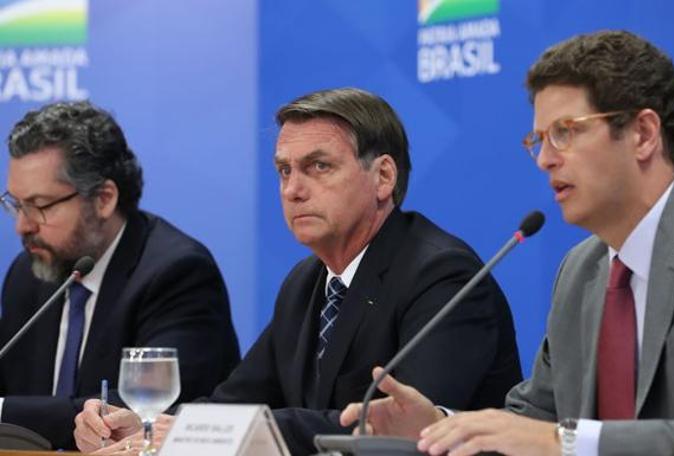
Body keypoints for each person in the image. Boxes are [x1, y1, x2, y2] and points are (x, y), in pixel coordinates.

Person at [340, 30, 674, 455]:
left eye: (565, 132)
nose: (544, 159)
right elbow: (530, 422)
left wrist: (564, 441)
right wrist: (439, 427)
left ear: (643, 133)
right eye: (539, 140)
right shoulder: (581, 271)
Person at [73, 87, 524, 455]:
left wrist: (216, 434)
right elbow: (236, 402)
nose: (292, 190)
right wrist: (148, 426)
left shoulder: (443, 276)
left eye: (318, 167)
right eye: (284, 171)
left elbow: (395, 426)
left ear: (383, 177)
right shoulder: (306, 282)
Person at [0, 101, 241, 450]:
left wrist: (4, 411)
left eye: (39, 205)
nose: (23, 226)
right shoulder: (29, 273)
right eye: (16, 205)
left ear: (104, 199)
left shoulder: (177, 273)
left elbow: (145, 409)